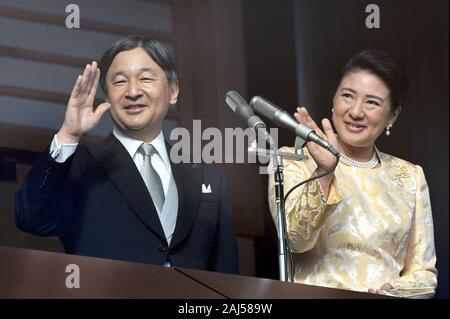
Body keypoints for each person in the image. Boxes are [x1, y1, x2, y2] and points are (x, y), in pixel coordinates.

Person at [15, 35, 239, 274]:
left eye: (145, 78)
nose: (133, 91)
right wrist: (68, 135)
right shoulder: (81, 164)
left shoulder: (209, 177)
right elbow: (31, 219)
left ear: (173, 91)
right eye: (120, 82)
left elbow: (226, 272)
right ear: (107, 95)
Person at [268, 49, 437, 297]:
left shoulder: (410, 176)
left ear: (393, 115)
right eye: (348, 96)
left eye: (372, 102)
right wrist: (325, 171)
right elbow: (295, 239)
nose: (356, 112)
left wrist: (394, 291)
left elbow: (424, 275)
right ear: (333, 100)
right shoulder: (292, 161)